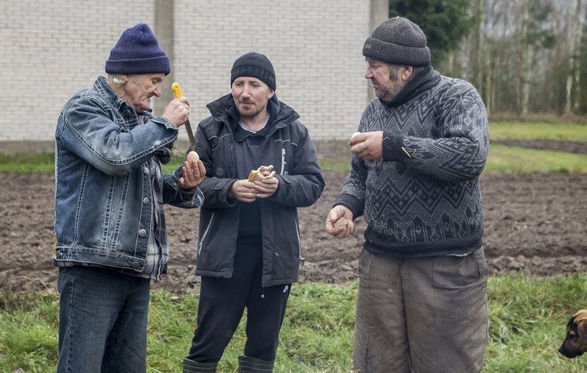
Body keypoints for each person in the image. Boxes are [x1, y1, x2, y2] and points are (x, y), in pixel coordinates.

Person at [325, 17, 490, 372]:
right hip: (380, 264)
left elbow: (469, 156)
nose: (368, 75)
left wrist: (395, 146)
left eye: (375, 67)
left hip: (444, 267)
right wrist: (347, 205)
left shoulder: (456, 96)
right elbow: (359, 175)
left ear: (406, 70)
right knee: (375, 367)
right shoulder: (374, 110)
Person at [53, 23, 206, 372]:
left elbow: (144, 188)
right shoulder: (83, 109)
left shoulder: (140, 121)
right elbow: (115, 156)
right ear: (126, 76)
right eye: (153, 79)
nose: (158, 90)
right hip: (93, 267)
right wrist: (166, 124)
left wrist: (183, 185)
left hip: (134, 267)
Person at [182, 52, 325, 373]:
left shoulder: (294, 133)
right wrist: (230, 188)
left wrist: (279, 187)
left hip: (275, 257)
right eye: (238, 83)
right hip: (224, 257)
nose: (245, 92)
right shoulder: (211, 130)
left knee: (262, 348)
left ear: (270, 90)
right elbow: (191, 186)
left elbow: (314, 184)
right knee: (207, 345)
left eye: (254, 84)